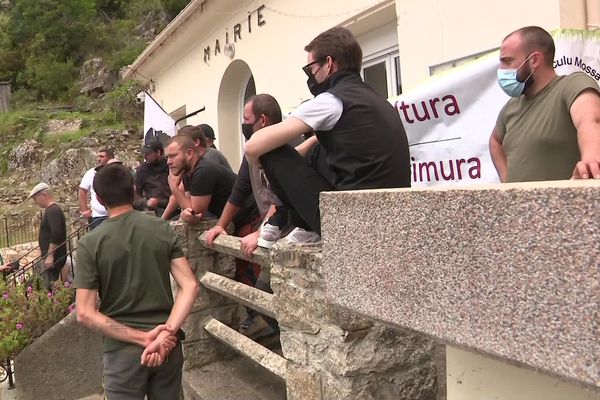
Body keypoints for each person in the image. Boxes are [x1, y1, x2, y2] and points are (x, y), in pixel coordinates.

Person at [245, 27, 411, 241]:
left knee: (272, 152)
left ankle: (297, 223)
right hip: (389, 214)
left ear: (329, 63)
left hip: (351, 222)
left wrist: (260, 163)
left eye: (310, 68)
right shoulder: (377, 99)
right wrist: (306, 147)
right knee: (320, 145)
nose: (310, 76)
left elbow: (252, 146)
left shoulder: (330, 101)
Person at [74, 164, 199, 399]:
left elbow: (84, 312)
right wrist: (165, 334)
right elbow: (190, 285)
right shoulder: (161, 228)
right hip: (167, 346)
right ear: (133, 190)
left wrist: (143, 338)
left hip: (122, 353)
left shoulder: (90, 243)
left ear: (99, 199)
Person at [489, 26, 600, 182]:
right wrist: (507, 184)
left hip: (564, 205)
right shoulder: (511, 107)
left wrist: (591, 160)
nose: (502, 70)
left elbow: (589, 119)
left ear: (534, 60)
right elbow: (495, 141)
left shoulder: (572, 85)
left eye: (508, 61)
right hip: (518, 206)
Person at [164, 135, 252, 225]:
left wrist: (174, 188)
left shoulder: (203, 170)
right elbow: (189, 208)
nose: (168, 162)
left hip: (250, 221)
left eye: (173, 156)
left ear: (189, 154)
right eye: (167, 157)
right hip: (235, 222)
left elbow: (196, 214)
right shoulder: (187, 172)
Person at [29, 183, 67, 290]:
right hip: (51, 257)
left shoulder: (53, 211)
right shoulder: (52, 210)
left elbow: (56, 234)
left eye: (36, 198)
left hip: (53, 258)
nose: (36, 202)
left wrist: (50, 256)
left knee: (47, 287)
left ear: (43, 195)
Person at [134, 139, 172, 217]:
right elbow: (135, 196)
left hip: (173, 208)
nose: (145, 156)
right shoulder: (142, 170)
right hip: (153, 211)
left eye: (148, 154)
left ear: (158, 152)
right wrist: (145, 202)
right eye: (144, 154)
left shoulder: (170, 166)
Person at [79, 148, 112, 229]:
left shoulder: (117, 172)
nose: (99, 159)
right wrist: (84, 210)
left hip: (116, 214)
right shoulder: (91, 173)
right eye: (98, 157)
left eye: (102, 156)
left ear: (110, 158)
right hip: (98, 216)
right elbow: (82, 190)